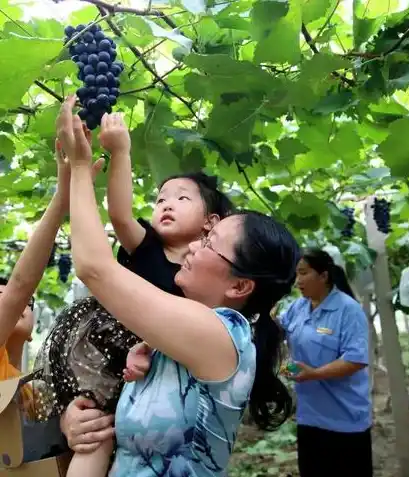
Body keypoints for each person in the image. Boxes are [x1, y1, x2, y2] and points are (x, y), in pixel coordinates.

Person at [56, 95, 300, 476]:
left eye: (208, 241)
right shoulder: (165, 348)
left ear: (239, 286)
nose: (193, 247)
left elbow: (94, 268)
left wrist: (82, 166)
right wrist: (81, 420)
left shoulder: (224, 336)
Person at [34, 103, 235, 477]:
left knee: (103, 433)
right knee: (97, 433)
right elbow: (120, 215)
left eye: (181, 199)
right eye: (160, 200)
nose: (166, 205)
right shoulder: (147, 248)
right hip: (102, 353)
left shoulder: (209, 294)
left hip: (142, 368)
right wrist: (120, 151)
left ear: (212, 223)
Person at [0, 137, 103, 461]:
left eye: (28, 306)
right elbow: (20, 284)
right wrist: (63, 196)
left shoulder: (25, 385)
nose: (15, 301)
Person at [277, 248, 372, 477]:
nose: (298, 281)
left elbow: (355, 359)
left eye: (303, 273)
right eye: (296, 274)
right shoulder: (298, 307)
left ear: (324, 276)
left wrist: (314, 374)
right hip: (310, 418)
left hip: (345, 422)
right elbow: (279, 331)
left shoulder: (348, 310)